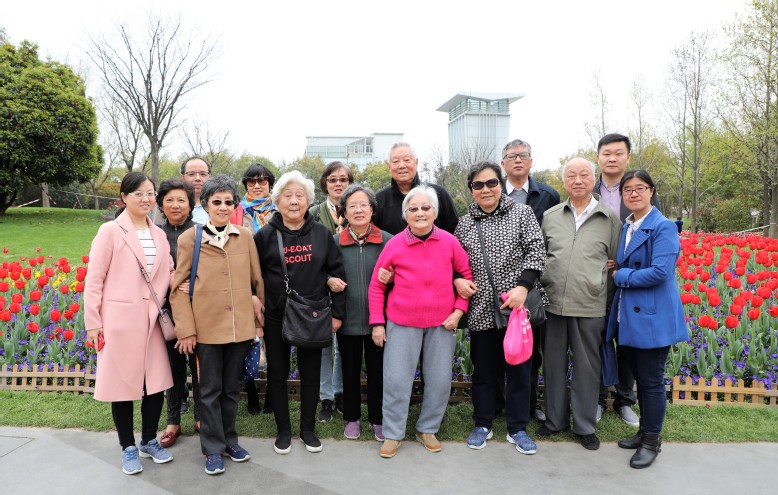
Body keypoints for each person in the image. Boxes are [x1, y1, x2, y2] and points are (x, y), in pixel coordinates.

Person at [368, 185, 473, 458]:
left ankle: (427, 429)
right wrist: (377, 323)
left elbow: (465, 277)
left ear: (435, 212)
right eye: (413, 209)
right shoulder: (394, 244)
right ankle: (393, 433)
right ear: (406, 215)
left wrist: (458, 311)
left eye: (426, 208)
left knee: (439, 381)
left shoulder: (449, 242)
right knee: (396, 381)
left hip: (442, 324)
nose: (420, 213)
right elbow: (377, 286)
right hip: (402, 323)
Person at [170, 175, 265, 475]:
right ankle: (212, 448)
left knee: (231, 390)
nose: (223, 207)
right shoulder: (190, 239)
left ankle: (229, 441)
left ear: (235, 205)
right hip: (207, 329)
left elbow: (257, 282)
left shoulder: (245, 236)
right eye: (217, 202)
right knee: (209, 390)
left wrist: (258, 324)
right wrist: (186, 330)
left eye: (228, 202)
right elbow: (177, 289)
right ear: (205, 205)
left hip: (239, 328)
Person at [84, 171, 175, 475]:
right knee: (122, 385)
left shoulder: (159, 234)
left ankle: (149, 440)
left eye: (150, 193)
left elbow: (168, 272)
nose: (146, 199)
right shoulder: (110, 231)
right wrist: (93, 323)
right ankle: (128, 447)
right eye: (139, 194)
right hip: (119, 322)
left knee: (156, 384)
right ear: (124, 197)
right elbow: (94, 279)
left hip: (152, 322)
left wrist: (185, 282)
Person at [454, 161, 546, 455]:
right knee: (483, 371)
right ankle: (483, 423)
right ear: (472, 189)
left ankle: (517, 427)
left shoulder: (522, 213)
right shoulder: (465, 223)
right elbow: (454, 261)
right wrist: (457, 279)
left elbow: (536, 251)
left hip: (516, 308)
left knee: (519, 371)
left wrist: (523, 287)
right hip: (481, 308)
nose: (486, 189)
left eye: (491, 183)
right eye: (478, 185)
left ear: (500, 183)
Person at [254, 170, 347, 455]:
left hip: (313, 315)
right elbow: (253, 277)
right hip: (276, 316)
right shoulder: (265, 236)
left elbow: (337, 273)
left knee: (310, 374)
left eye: (299, 196)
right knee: (278, 373)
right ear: (277, 201)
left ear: (308, 201)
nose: (294, 201)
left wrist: (337, 315)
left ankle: (308, 429)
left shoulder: (321, 234)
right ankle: (283, 430)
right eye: (288, 196)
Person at [607, 170, 688, 469]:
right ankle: (643, 432)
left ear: (651, 191)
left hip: (652, 317)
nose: (633, 193)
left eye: (640, 188)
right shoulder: (628, 225)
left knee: (651, 381)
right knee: (639, 378)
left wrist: (621, 274)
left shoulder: (663, 226)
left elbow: (660, 272)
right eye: (627, 189)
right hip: (630, 316)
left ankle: (652, 441)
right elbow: (629, 259)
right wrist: (617, 264)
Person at [538, 158, 621, 451]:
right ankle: (555, 420)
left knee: (587, 368)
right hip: (553, 304)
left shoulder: (609, 218)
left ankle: (585, 426)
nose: (577, 180)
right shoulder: (551, 216)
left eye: (583, 175)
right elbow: (540, 256)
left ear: (593, 178)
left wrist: (604, 297)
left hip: (590, 304)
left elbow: (614, 262)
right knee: (553, 365)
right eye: (571, 175)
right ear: (564, 181)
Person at [594, 133, 661, 428]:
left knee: (627, 341)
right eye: (606, 153)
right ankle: (598, 398)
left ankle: (623, 400)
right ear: (598, 157)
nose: (612, 158)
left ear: (627, 157)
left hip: (629, 281)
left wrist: (622, 266)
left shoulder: (639, 189)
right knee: (597, 340)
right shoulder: (587, 188)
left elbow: (651, 237)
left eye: (618, 153)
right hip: (595, 279)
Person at [500, 138, 561, 422]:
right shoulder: (491, 189)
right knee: (498, 345)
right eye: (511, 156)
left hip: (533, 283)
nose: (517, 160)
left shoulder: (548, 195)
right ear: (503, 163)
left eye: (523, 155)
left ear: (531, 161)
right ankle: (499, 403)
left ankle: (528, 404)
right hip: (498, 282)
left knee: (529, 347)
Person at [333, 184, 391, 441]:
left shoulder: (388, 240)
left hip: (380, 321)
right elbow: (323, 271)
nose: (358, 210)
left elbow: (402, 274)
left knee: (378, 372)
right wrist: (328, 279)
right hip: (348, 319)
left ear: (372, 209)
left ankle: (378, 419)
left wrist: (392, 278)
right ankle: (352, 418)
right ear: (344, 211)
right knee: (349, 370)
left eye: (363, 205)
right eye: (352, 206)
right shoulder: (335, 242)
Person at [155, 179, 200, 448]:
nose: (175, 205)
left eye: (181, 200)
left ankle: (201, 417)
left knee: (200, 366)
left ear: (190, 205)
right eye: (169, 200)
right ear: (161, 204)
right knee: (172, 367)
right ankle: (173, 421)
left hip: (198, 310)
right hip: (165, 312)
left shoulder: (200, 232)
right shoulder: (155, 234)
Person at [229, 163, 277, 415]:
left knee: (274, 335)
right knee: (248, 335)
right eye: (251, 181)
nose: (257, 185)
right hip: (243, 279)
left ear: (270, 183)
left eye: (262, 181)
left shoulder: (279, 209)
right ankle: (250, 392)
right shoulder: (236, 211)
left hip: (274, 278)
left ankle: (271, 393)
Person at [310, 161, 353, 422]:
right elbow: (308, 255)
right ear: (324, 183)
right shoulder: (314, 213)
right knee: (324, 344)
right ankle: (325, 397)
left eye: (343, 179)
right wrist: (326, 278)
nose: (338, 184)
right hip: (320, 287)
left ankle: (340, 392)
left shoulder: (358, 210)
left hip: (350, 287)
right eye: (333, 179)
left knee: (344, 344)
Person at [373, 142, 458, 235]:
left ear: (416, 162)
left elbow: (454, 230)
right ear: (389, 166)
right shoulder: (379, 200)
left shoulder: (438, 194)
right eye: (396, 161)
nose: (402, 166)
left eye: (407, 160)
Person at [180, 156, 212, 225]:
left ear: (210, 177)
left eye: (203, 174)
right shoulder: (170, 205)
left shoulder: (223, 204)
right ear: (182, 177)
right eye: (191, 174)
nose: (198, 178)